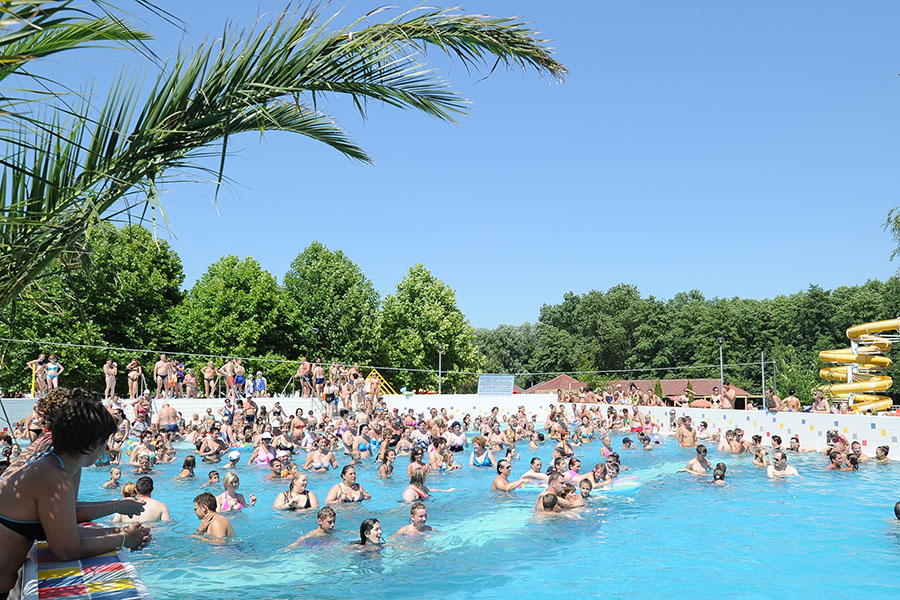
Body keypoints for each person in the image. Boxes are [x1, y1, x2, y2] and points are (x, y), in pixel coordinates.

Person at [0, 397, 151, 597]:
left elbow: (64, 523)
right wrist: (123, 539)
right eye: (105, 442)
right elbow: (66, 549)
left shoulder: (49, 462)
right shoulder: (54, 477)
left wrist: (121, 531)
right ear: (95, 444)